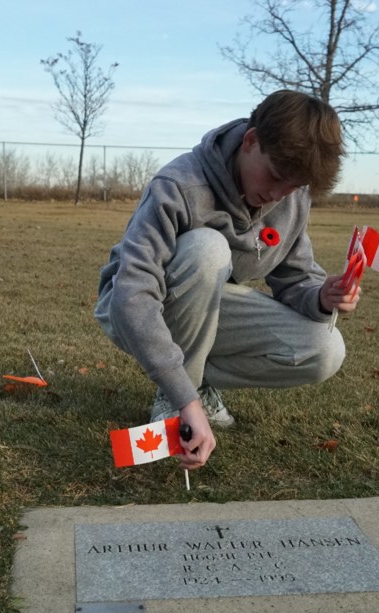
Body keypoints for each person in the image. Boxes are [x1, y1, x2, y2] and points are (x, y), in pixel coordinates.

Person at [94, 90, 361, 471]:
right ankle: (179, 399)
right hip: (134, 309)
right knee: (207, 249)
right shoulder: (179, 185)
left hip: (208, 311)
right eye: (276, 177)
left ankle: (193, 383)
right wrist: (184, 397)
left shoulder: (292, 196)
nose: (278, 194)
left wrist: (322, 296)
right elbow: (132, 293)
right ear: (251, 141)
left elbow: (295, 278)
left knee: (325, 349)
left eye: (294, 186)